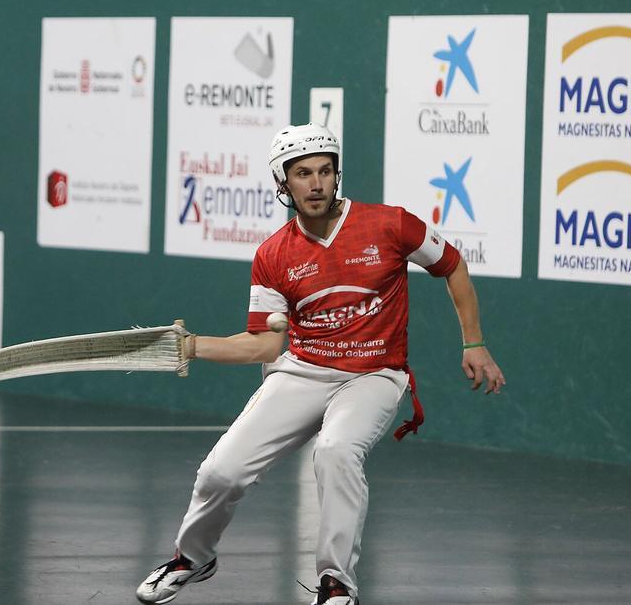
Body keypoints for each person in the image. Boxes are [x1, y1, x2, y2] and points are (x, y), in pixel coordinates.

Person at [135, 124, 505, 605]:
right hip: (303, 371)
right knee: (219, 473)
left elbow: (451, 265)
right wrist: (190, 346)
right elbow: (262, 347)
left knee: (335, 451)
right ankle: (192, 556)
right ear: (282, 183)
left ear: (337, 175)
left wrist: (473, 342)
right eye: (303, 173)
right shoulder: (273, 255)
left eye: (325, 172)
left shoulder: (391, 225)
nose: (316, 184)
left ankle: (336, 584)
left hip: (375, 374)